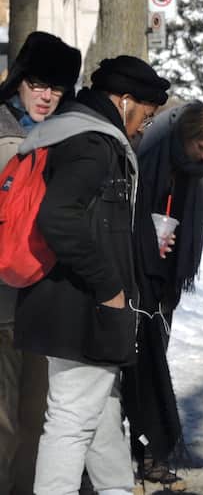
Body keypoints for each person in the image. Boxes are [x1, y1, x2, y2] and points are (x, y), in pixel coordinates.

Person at [15, 55, 169, 495]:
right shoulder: (92, 144)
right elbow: (59, 218)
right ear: (123, 101)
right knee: (70, 419)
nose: (144, 126)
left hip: (59, 297)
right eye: (146, 114)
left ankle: (116, 489)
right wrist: (111, 288)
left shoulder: (66, 131)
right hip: (84, 306)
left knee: (99, 409)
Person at [124, 102, 203, 487]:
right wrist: (147, 237)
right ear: (185, 136)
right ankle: (115, 459)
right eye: (202, 147)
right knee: (127, 372)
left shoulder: (199, 169)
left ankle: (149, 455)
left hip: (164, 281)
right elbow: (128, 210)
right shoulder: (148, 151)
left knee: (152, 368)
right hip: (131, 275)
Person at [0, 32, 81, 495]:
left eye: (56, 88)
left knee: (34, 417)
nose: (46, 96)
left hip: (40, 302)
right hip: (5, 304)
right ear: (19, 82)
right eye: (38, 84)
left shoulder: (63, 136)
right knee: (6, 421)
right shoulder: (6, 133)